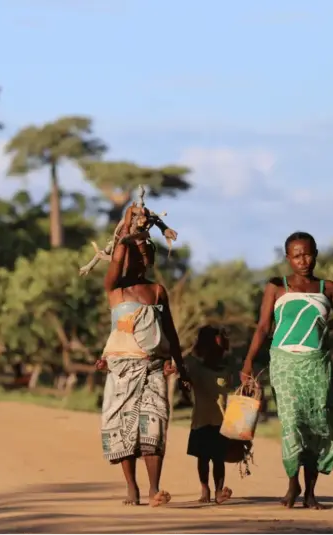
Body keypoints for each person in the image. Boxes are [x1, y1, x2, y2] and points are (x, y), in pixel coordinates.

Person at [241, 231, 333, 510]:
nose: (303, 260)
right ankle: (293, 481)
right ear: (288, 258)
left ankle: (310, 492)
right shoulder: (276, 287)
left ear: (316, 253)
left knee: (317, 426)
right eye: (297, 256)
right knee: (293, 422)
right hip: (284, 363)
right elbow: (262, 327)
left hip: (317, 365)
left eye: (307, 254)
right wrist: (248, 361)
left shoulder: (327, 288)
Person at [95, 204, 191, 507]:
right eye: (135, 254)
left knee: (155, 425)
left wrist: (181, 365)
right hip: (122, 370)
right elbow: (120, 252)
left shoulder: (158, 292)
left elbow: (171, 331)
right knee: (124, 428)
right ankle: (131, 488)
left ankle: (153, 488)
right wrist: (129, 226)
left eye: (146, 254)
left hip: (154, 368)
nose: (141, 259)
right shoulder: (115, 290)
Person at [185, 325, 234, 504]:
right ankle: (205, 489)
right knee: (203, 459)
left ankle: (219, 490)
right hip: (201, 421)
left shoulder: (225, 370)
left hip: (221, 422)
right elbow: (185, 360)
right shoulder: (194, 367)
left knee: (219, 460)